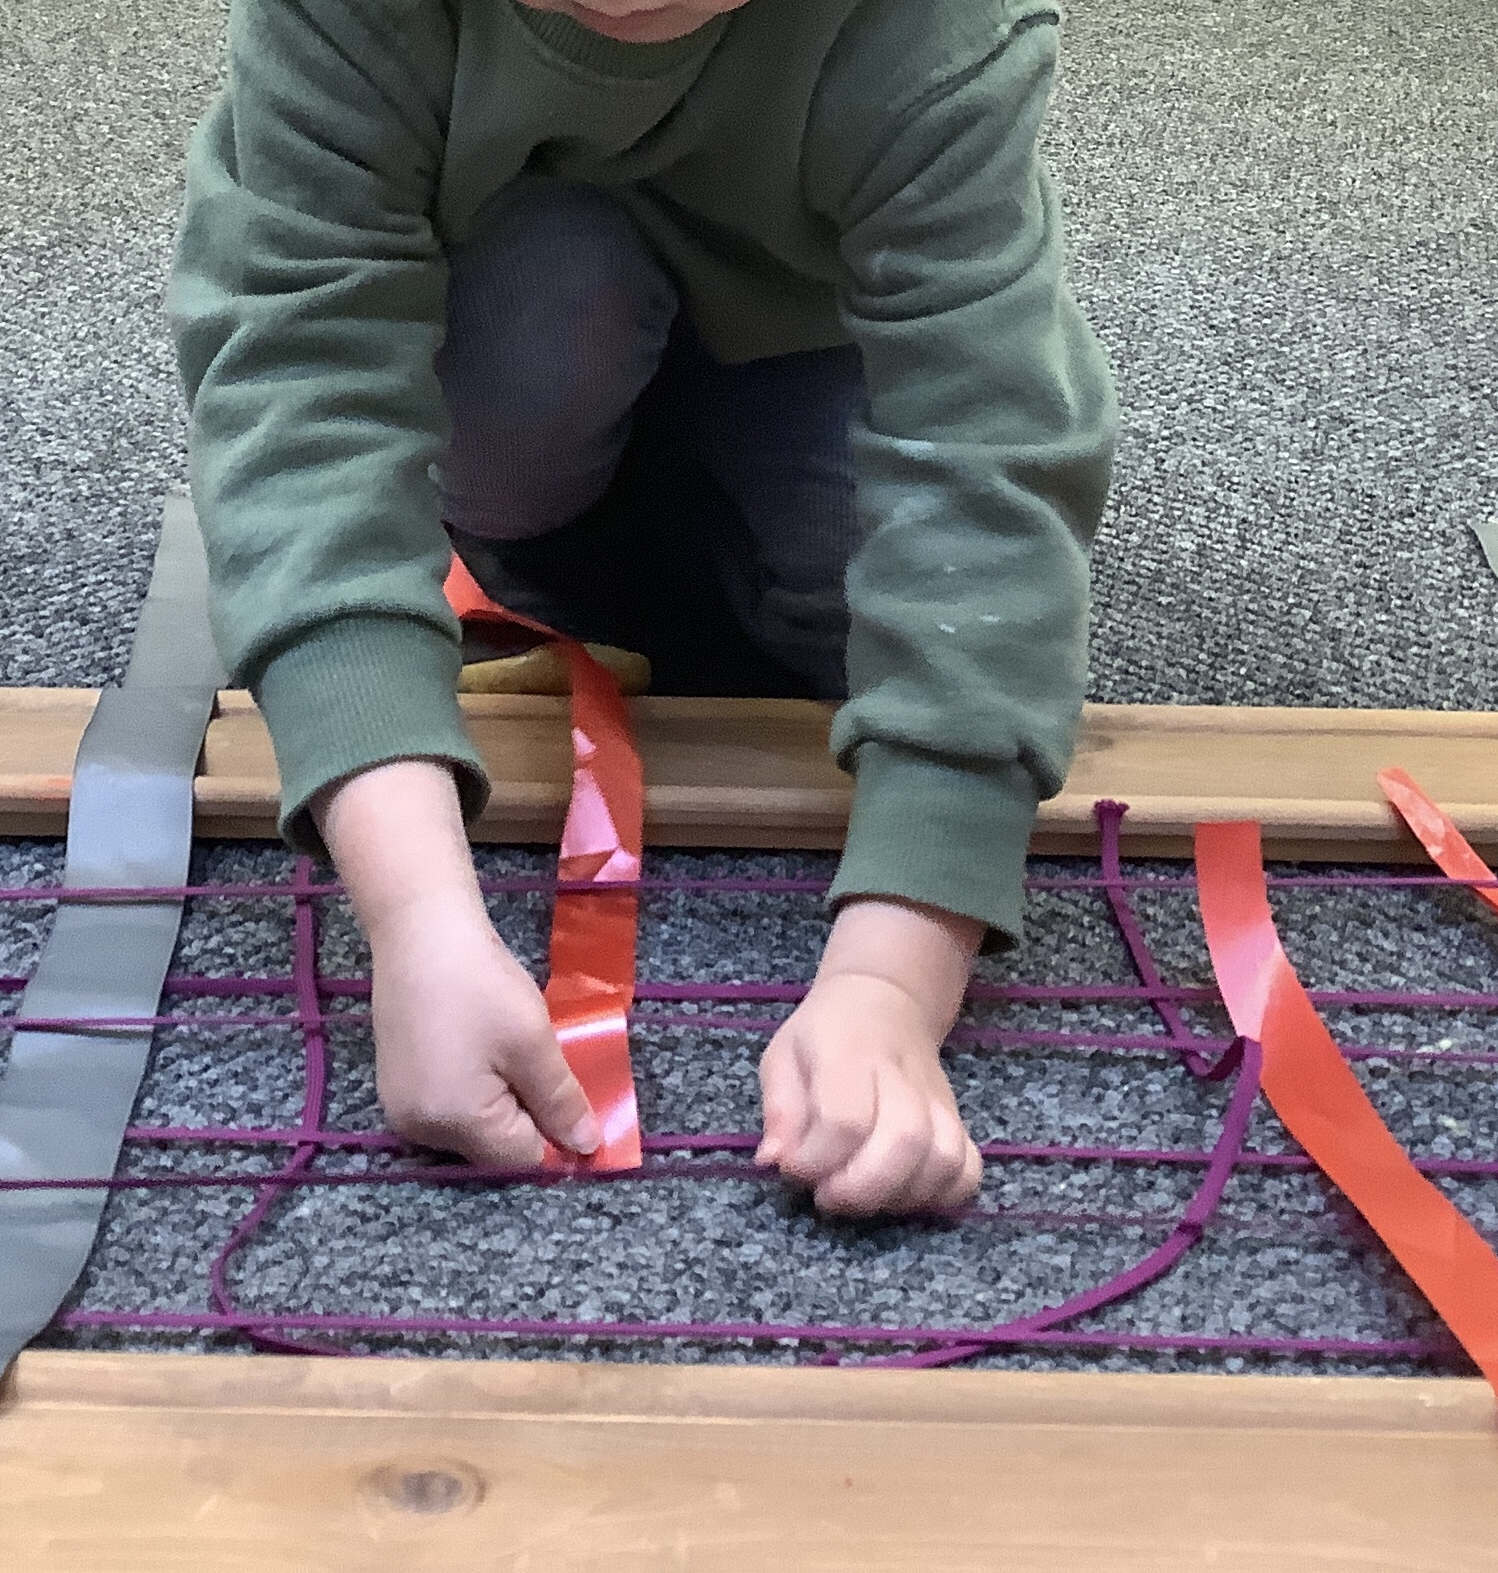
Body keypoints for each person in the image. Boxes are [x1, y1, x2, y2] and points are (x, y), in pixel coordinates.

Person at [170, 0, 1116, 1215]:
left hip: (808, 346)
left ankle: (694, 533)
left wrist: (891, 981)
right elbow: (302, 385)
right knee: (549, 307)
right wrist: (414, 919)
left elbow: (985, 462)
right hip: (529, 326)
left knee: (872, 596)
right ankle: (575, 544)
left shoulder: (939, 31)